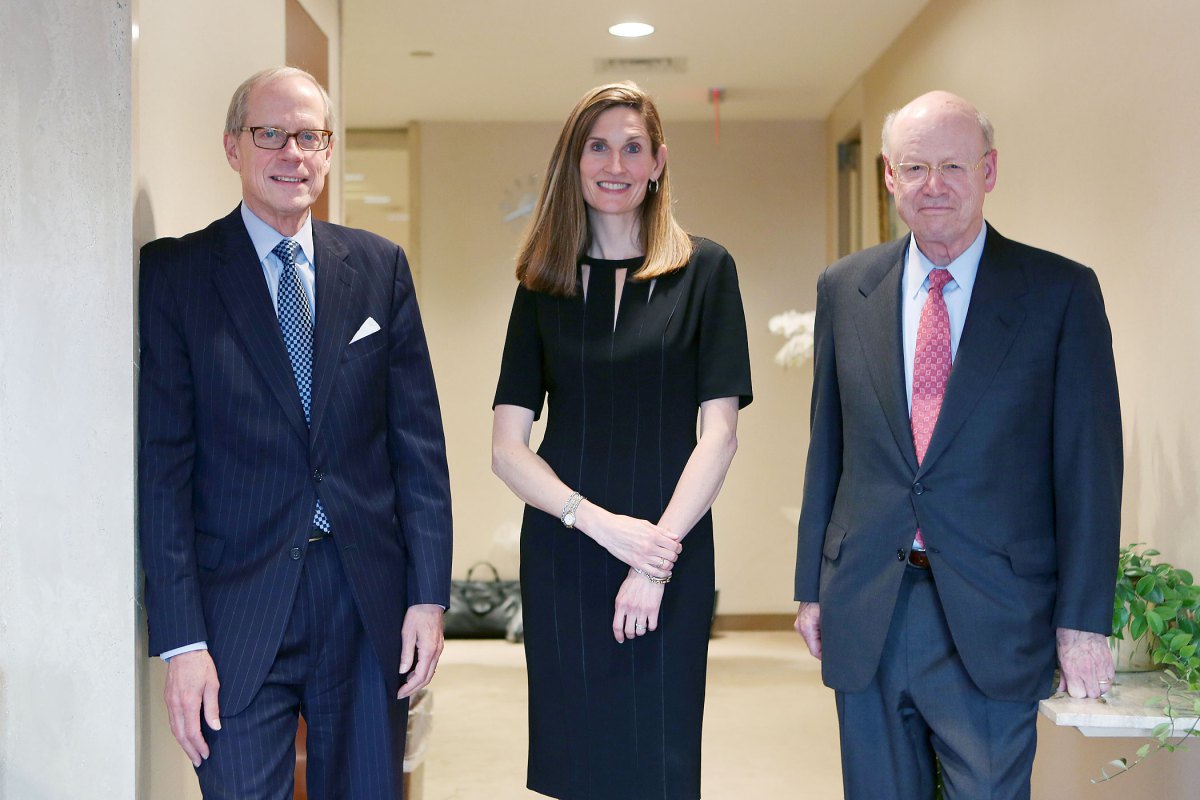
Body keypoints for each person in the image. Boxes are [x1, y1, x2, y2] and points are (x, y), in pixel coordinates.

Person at [793, 90, 1122, 798]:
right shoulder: (844, 289)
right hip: (870, 605)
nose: (932, 185)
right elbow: (829, 449)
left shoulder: (1060, 294)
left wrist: (1083, 621)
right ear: (888, 177)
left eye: (953, 165)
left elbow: (1089, 470)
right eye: (914, 168)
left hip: (995, 613)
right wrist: (809, 587)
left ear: (990, 171)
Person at [138, 66, 452, 798]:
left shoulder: (379, 268)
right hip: (235, 609)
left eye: (309, 136)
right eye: (270, 134)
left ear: (329, 149)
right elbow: (162, 469)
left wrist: (427, 597)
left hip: (365, 598)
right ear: (233, 148)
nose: (292, 153)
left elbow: (419, 449)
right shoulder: (178, 275)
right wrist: (181, 641)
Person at [491, 81, 752, 799]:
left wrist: (654, 559)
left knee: (657, 759)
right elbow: (508, 448)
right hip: (567, 546)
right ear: (573, 163)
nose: (616, 162)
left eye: (633, 147)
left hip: (671, 544)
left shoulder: (706, 271)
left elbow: (719, 435)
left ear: (659, 161)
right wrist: (603, 529)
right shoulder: (540, 285)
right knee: (575, 760)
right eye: (598, 146)